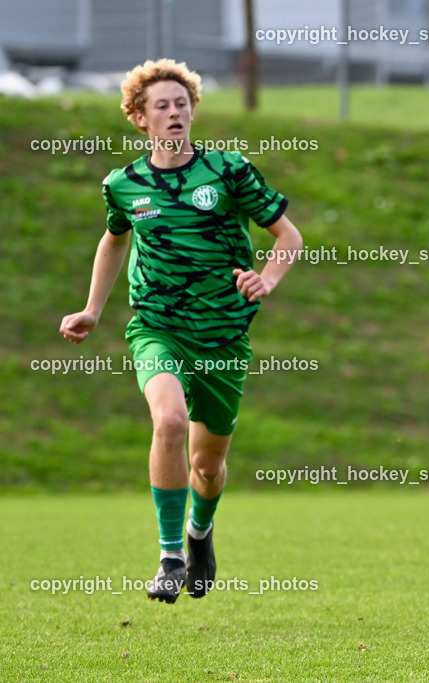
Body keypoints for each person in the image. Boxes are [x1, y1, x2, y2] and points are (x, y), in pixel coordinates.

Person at [59, 58, 303, 604]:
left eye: (182, 103)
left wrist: (265, 279)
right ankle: (170, 555)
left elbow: (289, 236)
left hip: (221, 335)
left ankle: (199, 534)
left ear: (194, 110)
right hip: (156, 328)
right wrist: (93, 309)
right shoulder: (123, 185)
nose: (174, 113)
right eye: (161, 106)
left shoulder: (227, 171)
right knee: (168, 421)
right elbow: (114, 239)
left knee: (207, 466)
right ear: (140, 119)